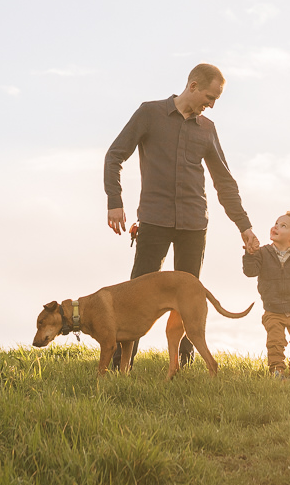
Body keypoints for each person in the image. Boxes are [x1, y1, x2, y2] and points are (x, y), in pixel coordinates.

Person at [105, 63, 259, 367]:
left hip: (193, 223)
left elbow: (224, 181)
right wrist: (115, 201)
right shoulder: (150, 113)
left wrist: (244, 226)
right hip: (154, 220)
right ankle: (122, 362)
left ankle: (185, 361)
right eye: (209, 96)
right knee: (137, 293)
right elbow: (114, 155)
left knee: (189, 295)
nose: (211, 105)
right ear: (192, 86)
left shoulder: (207, 129)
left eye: (215, 100)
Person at [243, 211, 290, 382]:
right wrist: (249, 253)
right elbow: (250, 272)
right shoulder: (262, 253)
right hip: (272, 310)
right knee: (276, 343)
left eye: (283, 226)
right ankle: (277, 372)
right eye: (276, 223)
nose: (276, 226)